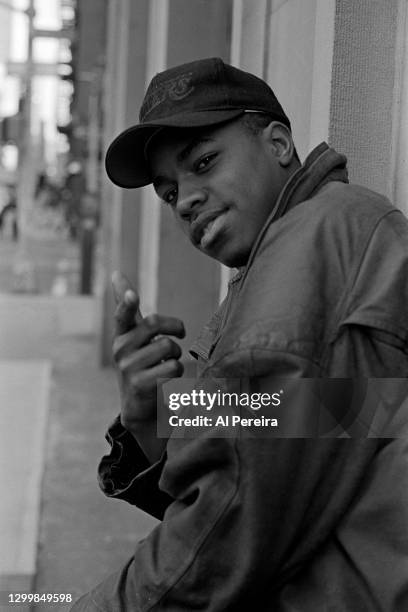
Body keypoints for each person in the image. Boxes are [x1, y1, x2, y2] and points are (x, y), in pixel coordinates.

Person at [72, 58, 408, 610]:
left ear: (277, 143)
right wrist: (155, 415)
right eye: (169, 192)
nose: (187, 200)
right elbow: (317, 424)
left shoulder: (307, 246)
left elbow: (222, 530)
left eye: (204, 162)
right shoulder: (328, 235)